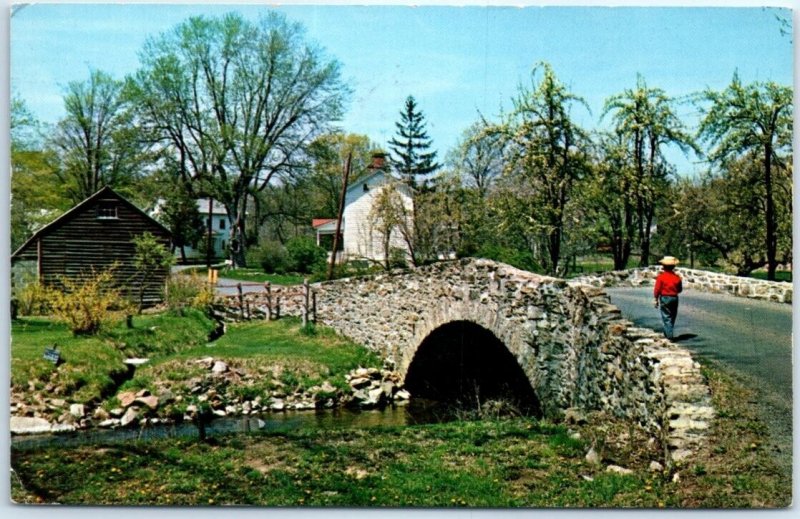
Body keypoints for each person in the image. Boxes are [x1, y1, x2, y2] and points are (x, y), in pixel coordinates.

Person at [654, 256, 683, 340]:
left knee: (666, 316)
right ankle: (667, 333)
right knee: (673, 316)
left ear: (663, 266)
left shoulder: (661, 277)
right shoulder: (677, 277)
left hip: (665, 298)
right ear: (674, 267)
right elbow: (680, 289)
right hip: (674, 298)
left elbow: (657, 289)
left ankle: (669, 336)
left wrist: (656, 299)